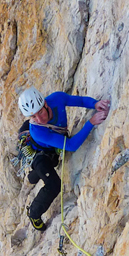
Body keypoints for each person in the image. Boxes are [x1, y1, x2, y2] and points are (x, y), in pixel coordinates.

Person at [18, 86, 110, 231]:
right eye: (33, 117)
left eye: (40, 112)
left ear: (45, 104)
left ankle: (33, 176)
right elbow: (71, 145)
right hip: (38, 154)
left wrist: (95, 104)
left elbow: (79, 101)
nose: (39, 119)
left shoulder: (57, 99)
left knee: (54, 160)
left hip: (50, 147)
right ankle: (34, 213)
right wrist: (91, 123)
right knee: (54, 184)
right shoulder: (37, 131)